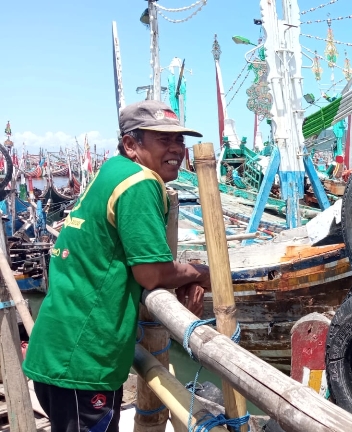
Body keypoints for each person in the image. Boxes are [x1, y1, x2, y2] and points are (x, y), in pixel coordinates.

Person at [23, 100, 211, 432]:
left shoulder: (112, 170)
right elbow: (151, 273)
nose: (177, 149)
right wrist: (200, 274)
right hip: (84, 361)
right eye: (164, 139)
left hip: (59, 347)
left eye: (180, 140)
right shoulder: (140, 182)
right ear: (130, 145)